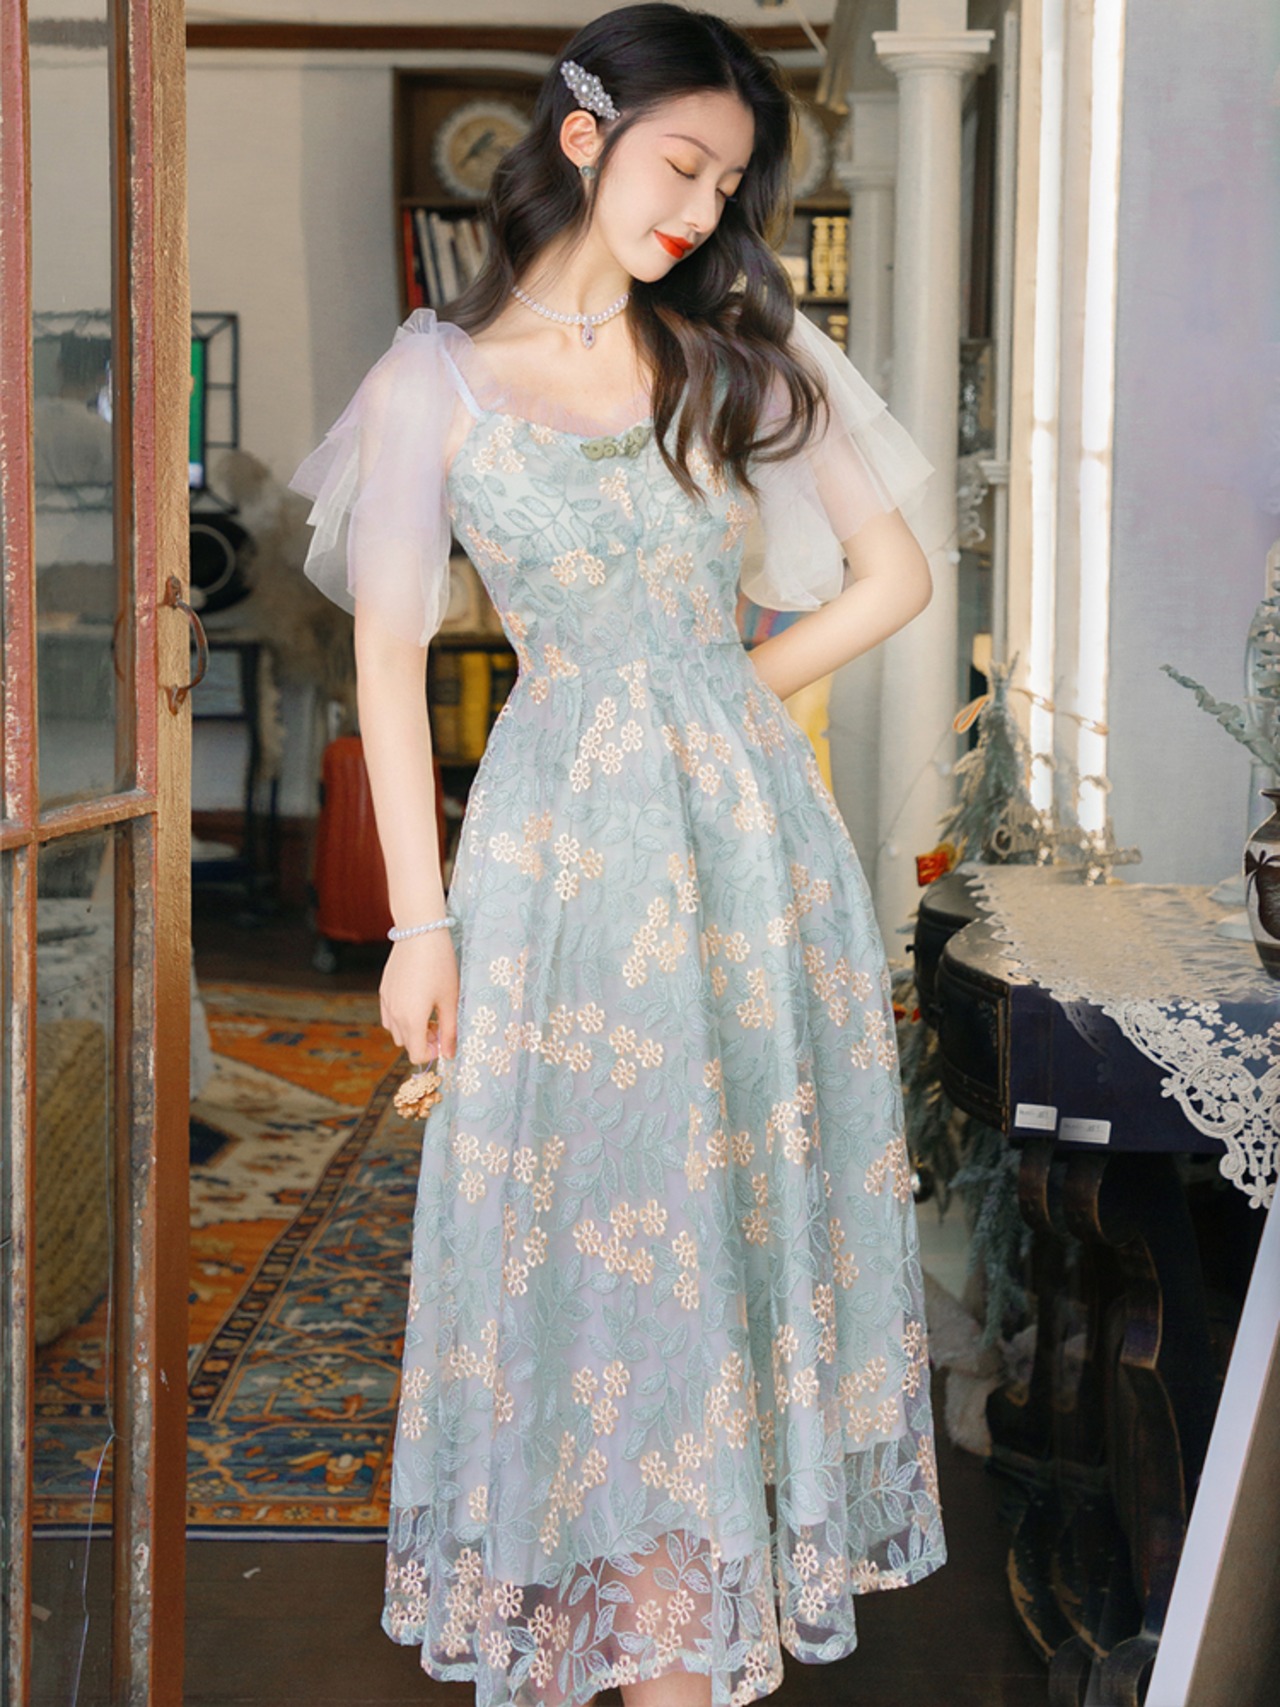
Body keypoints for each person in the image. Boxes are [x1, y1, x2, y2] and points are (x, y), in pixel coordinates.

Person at [288, 7, 946, 1703]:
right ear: (585, 136)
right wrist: (416, 928)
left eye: (729, 186)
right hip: (559, 852)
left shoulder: (738, 348)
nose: (703, 209)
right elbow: (387, 659)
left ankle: (685, 1639)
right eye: (685, 166)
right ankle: (644, 1632)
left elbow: (894, 578)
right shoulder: (433, 379)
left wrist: (713, 700)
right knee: (588, 1220)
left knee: (725, 1210)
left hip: (745, 844)